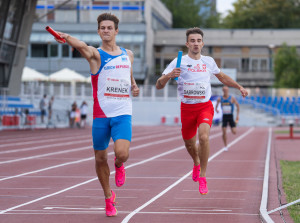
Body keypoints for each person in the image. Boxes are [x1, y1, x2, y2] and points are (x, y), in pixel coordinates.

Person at [54, 13, 139, 217]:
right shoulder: (95, 55)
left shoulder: (128, 54)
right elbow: (81, 45)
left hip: (122, 112)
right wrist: (65, 36)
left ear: (116, 31)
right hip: (101, 115)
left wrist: (134, 85)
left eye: (110, 27)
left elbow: (128, 74)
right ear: (99, 31)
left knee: (122, 154)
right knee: (100, 158)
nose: (106, 30)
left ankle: (119, 166)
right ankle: (109, 198)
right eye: (103, 27)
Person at [156, 27, 248, 195]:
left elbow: (223, 77)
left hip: (204, 106)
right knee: (189, 144)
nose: (196, 43)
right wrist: (168, 75)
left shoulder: (208, 61)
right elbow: (158, 85)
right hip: (187, 108)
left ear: (202, 43)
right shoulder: (178, 62)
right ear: (187, 44)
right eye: (192, 41)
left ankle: (203, 176)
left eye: (198, 41)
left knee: (204, 137)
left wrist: (239, 86)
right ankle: (196, 162)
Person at [215, 86, 240, 151]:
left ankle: (234, 125)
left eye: (226, 90)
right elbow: (216, 105)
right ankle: (226, 146)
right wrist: (216, 110)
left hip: (230, 116)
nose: (225, 91)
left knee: (234, 132)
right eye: (224, 90)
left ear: (228, 91)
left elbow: (237, 105)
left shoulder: (232, 98)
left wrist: (237, 115)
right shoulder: (220, 98)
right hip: (224, 116)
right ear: (223, 91)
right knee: (224, 132)